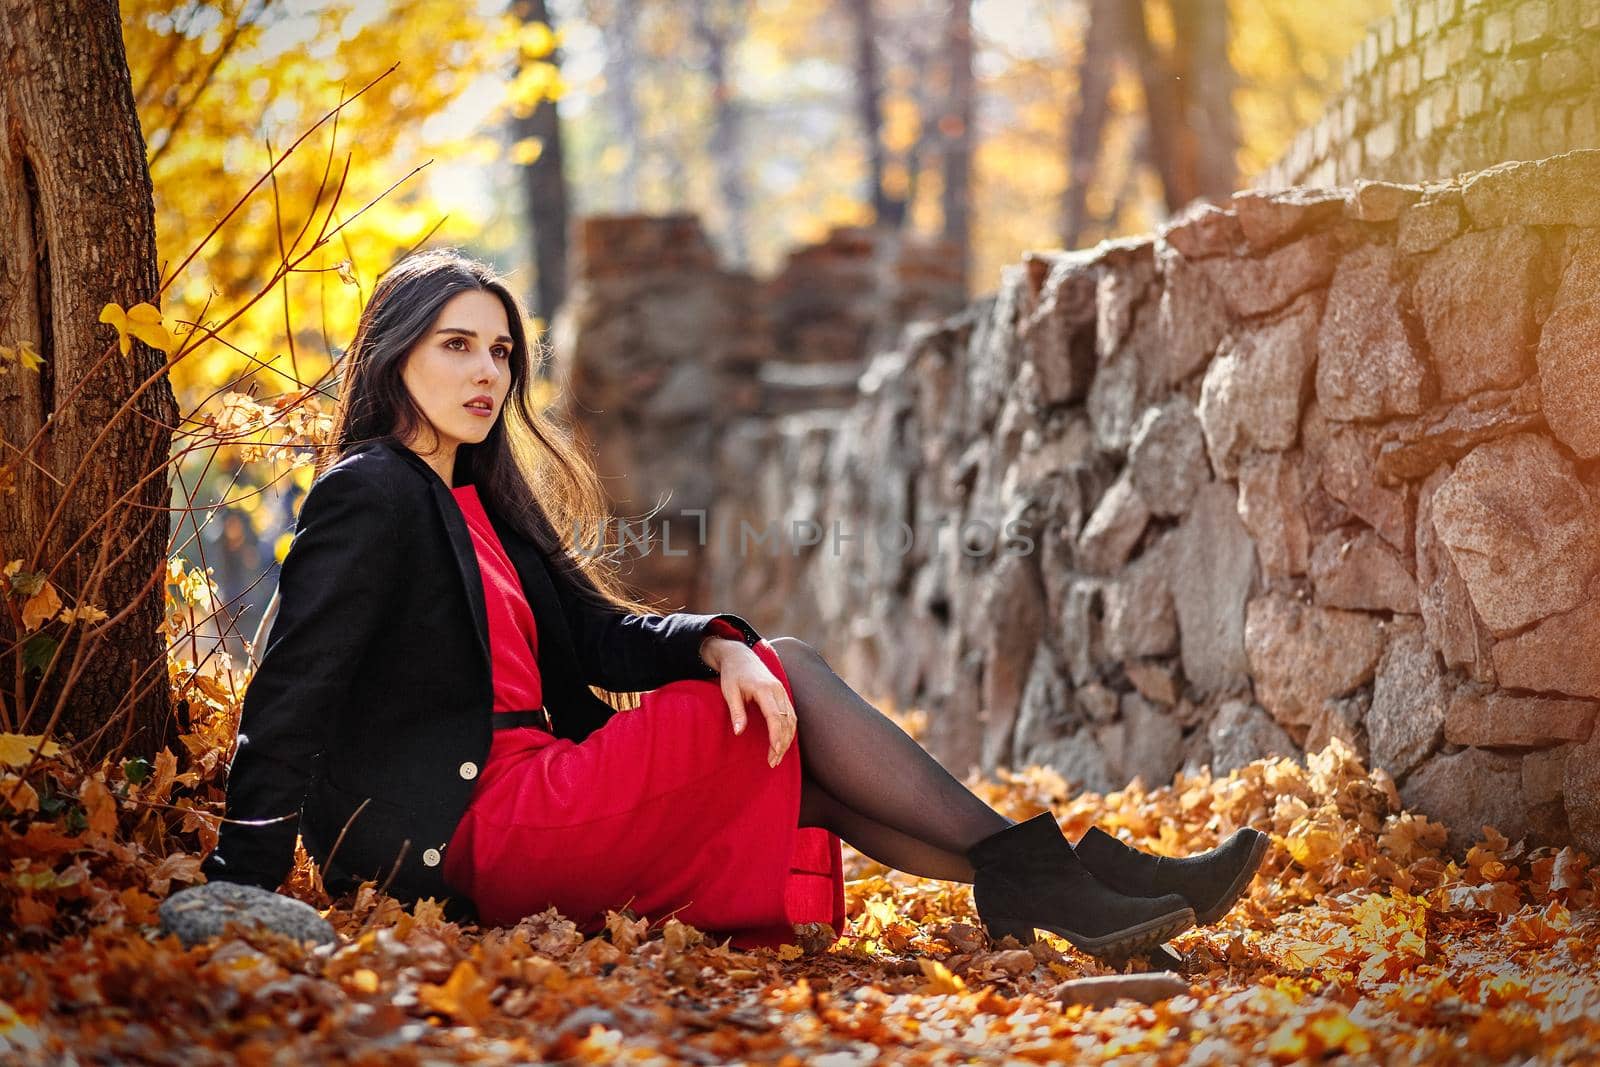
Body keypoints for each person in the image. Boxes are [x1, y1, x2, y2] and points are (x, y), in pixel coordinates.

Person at [200, 248, 1268, 962]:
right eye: (457, 345)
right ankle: (1058, 874)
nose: (488, 371)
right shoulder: (370, 491)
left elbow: (601, 632)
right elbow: (297, 674)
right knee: (789, 672)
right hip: (474, 827)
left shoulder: (476, 498)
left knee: (773, 694)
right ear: (394, 352)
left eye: (501, 350)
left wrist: (714, 643)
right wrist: (246, 867)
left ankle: (1062, 880)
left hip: (535, 791)